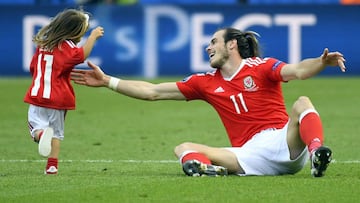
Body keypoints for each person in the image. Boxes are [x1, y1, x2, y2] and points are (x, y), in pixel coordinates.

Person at [71, 27, 346, 177]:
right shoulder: (204, 82)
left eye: (214, 41)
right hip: (250, 155)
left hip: (282, 142)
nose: (208, 47)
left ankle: (317, 154)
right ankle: (206, 169)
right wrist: (108, 81)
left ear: (231, 45)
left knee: (302, 102)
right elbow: (152, 91)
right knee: (184, 148)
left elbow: (298, 71)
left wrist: (321, 63)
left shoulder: (260, 67)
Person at [24, 8, 104, 174]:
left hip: (38, 96)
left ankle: (40, 135)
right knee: (57, 133)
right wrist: (93, 37)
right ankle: (52, 166)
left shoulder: (44, 45)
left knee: (35, 128)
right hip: (60, 98)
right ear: (74, 31)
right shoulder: (67, 46)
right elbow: (81, 56)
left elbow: (33, 67)